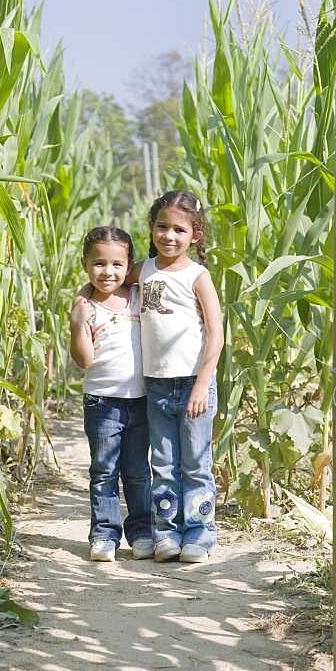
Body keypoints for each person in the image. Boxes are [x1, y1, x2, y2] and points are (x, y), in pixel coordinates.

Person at [134, 191, 224, 564]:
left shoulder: (197, 275)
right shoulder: (143, 270)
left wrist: (203, 382)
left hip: (193, 386)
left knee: (195, 465)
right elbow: (107, 278)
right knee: (164, 464)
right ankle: (166, 532)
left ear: (195, 235)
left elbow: (217, 333)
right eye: (162, 227)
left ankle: (200, 536)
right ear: (152, 229)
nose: (169, 236)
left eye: (179, 229)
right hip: (156, 384)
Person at [70, 226, 154, 563]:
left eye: (118, 264)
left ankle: (143, 532)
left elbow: (157, 266)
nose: (109, 272)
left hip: (141, 399)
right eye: (99, 264)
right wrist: (77, 323)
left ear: (129, 265)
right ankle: (104, 535)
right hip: (103, 401)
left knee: (137, 471)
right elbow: (84, 359)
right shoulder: (85, 306)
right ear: (85, 264)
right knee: (104, 470)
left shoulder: (137, 295)